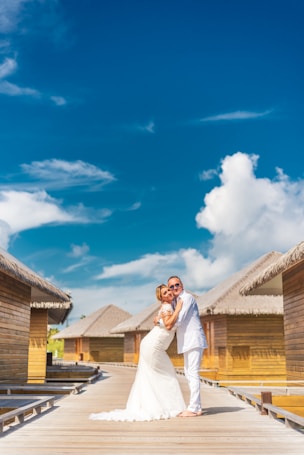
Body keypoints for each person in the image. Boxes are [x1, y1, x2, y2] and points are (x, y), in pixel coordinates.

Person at [89, 284, 186, 421]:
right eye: (165, 293)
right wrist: (178, 309)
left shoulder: (166, 307)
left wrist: (164, 318)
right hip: (154, 346)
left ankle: (160, 405)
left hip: (153, 344)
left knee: (154, 375)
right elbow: (169, 325)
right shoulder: (167, 307)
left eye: (169, 290)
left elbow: (162, 323)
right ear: (161, 297)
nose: (169, 293)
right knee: (166, 373)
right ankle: (166, 407)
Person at [166, 275, 208, 417]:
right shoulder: (176, 301)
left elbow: (179, 319)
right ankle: (197, 407)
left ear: (182, 285)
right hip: (187, 341)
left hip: (194, 340)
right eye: (171, 286)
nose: (174, 288)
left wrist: (165, 325)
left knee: (193, 373)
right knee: (188, 373)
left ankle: (194, 407)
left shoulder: (187, 298)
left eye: (176, 285)